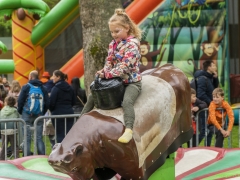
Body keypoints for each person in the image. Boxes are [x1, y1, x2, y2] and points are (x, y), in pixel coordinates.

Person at [80, 8, 142, 143]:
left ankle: (129, 129)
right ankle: (79, 123)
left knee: (127, 102)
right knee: (92, 95)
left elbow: (126, 67)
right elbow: (109, 62)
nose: (114, 34)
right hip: (114, 81)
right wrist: (103, 72)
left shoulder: (133, 45)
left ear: (127, 28)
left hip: (130, 82)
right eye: (112, 32)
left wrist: (108, 74)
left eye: (117, 31)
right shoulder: (113, 44)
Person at [17, 70, 50, 156]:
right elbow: (47, 102)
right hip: (39, 115)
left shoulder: (26, 87)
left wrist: (21, 111)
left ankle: (26, 157)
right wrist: (42, 112)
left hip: (27, 114)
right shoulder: (43, 88)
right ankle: (42, 156)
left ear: (31, 77)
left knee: (26, 137)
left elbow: (20, 101)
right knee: (39, 137)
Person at [194, 60, 219, 146]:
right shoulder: (202, 78)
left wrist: (216, 78)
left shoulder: (210, 77)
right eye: (213, 65)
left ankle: (207, 148)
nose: (215, 67)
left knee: (210, 131)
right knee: (204, 131)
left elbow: (214, 89)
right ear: (209, 68)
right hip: (204, 108)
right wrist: (211, 103)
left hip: (209, 108)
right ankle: (192, 147)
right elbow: (201, 94)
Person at [49, 70, 75, 143]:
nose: (52, 78)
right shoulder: (70, 88)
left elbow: (51, 102)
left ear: (58, 77)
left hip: (58, 114)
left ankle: (62, 152)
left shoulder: (55, 89)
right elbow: (73, 101)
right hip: (69, 113)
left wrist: (52, 110)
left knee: (60, 135)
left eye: (54, 76)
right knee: (68, 134)